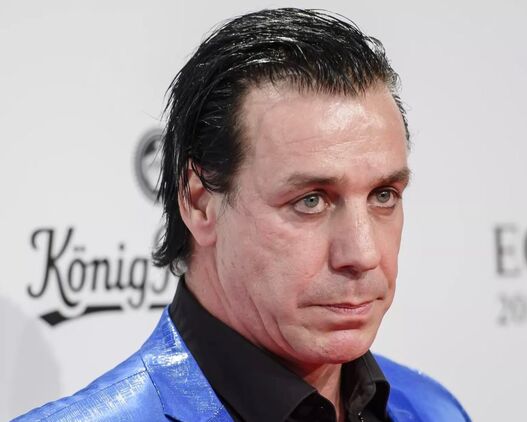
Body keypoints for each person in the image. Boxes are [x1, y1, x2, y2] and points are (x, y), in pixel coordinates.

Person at [14, 8, 470, 422]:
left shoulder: (435, 410)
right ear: (199, 202)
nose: (363, 254)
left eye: (383, 195)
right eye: (311, 200)